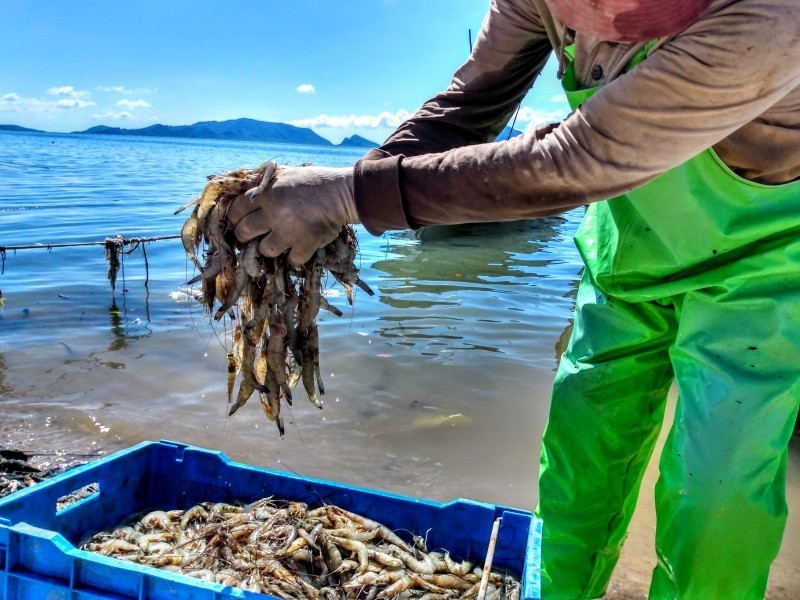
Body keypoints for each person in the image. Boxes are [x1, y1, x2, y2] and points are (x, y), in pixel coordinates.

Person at [227, 0, 800, 597]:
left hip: (760, 268)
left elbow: (576, 160)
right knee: (580, 464)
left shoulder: (772, 15)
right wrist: (345, 195)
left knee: (717, 488)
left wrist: (345, 196)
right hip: (628, 252)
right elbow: (468, 105)